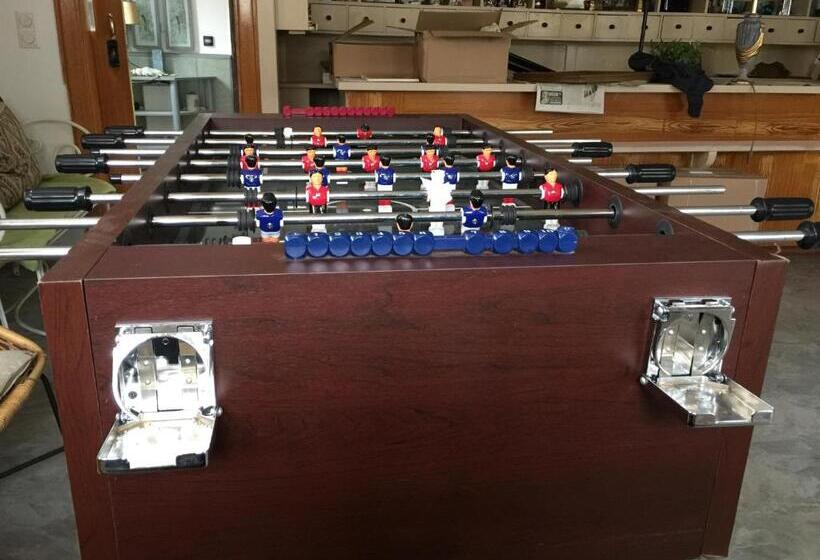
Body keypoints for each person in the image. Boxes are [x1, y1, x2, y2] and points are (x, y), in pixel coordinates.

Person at [539, 164, 564, 230]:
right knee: (548, 213)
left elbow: (562, 194)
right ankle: (548, 224)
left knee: (556, 213)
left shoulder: (559, 186)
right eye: (551, 175)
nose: (553, 176)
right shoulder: (543, 186)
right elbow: (541, 196)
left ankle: (555, 223)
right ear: (545, 177)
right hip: (548, 202)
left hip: (556, 202)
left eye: (554, 174)